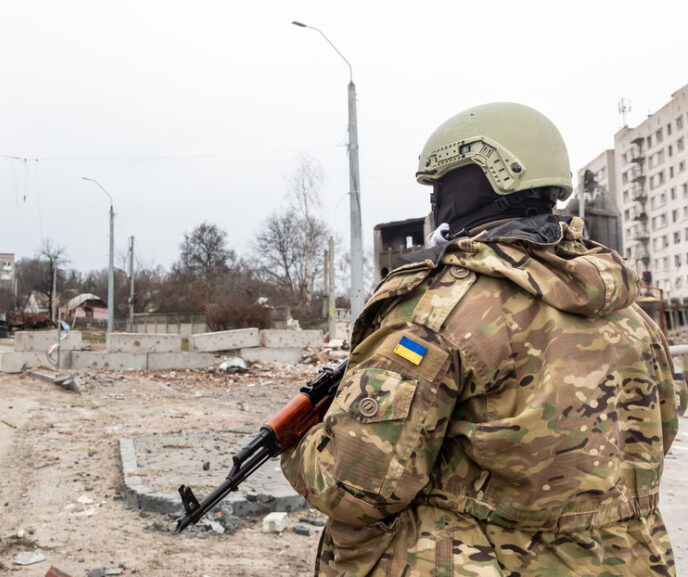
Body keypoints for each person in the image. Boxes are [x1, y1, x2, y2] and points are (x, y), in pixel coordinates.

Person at [281, 102, 679, 576]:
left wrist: (300, 441)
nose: (434, 204)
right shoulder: (629, 311)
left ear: (470, 187)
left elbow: (355, 486)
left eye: (439, 187)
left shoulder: (440, 310)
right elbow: (656, 436)